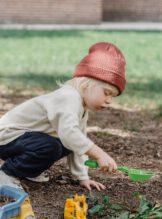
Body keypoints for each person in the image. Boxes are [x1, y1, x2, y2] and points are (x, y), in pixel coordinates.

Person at [0, 42, 126, 191]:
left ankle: (28, 170)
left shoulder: (81, 107)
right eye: (106, 92)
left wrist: (83, 177)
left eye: (112, 96)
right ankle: (7, 174)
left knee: (65, 144)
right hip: (7, 137)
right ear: (86, 84)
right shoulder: (68, 97)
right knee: (51, 146)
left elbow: (78, 143)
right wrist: (99, 154)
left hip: (23, 139)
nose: (109, 100)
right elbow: (69, 134)